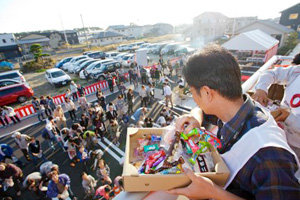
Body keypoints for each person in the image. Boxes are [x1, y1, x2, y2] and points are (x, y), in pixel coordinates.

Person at [167, 45, 300, 199]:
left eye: (192, 92)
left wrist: (213, 193)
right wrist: (195, 119)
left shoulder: (270, 157)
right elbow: (200, 111)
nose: (194, 99)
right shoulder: (238, 109)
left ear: (206, 92)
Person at [253, 53, 300, 159]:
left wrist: (288, 117)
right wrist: (261, 89)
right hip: (281, 135)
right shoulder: (297, 72)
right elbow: (271, 73)